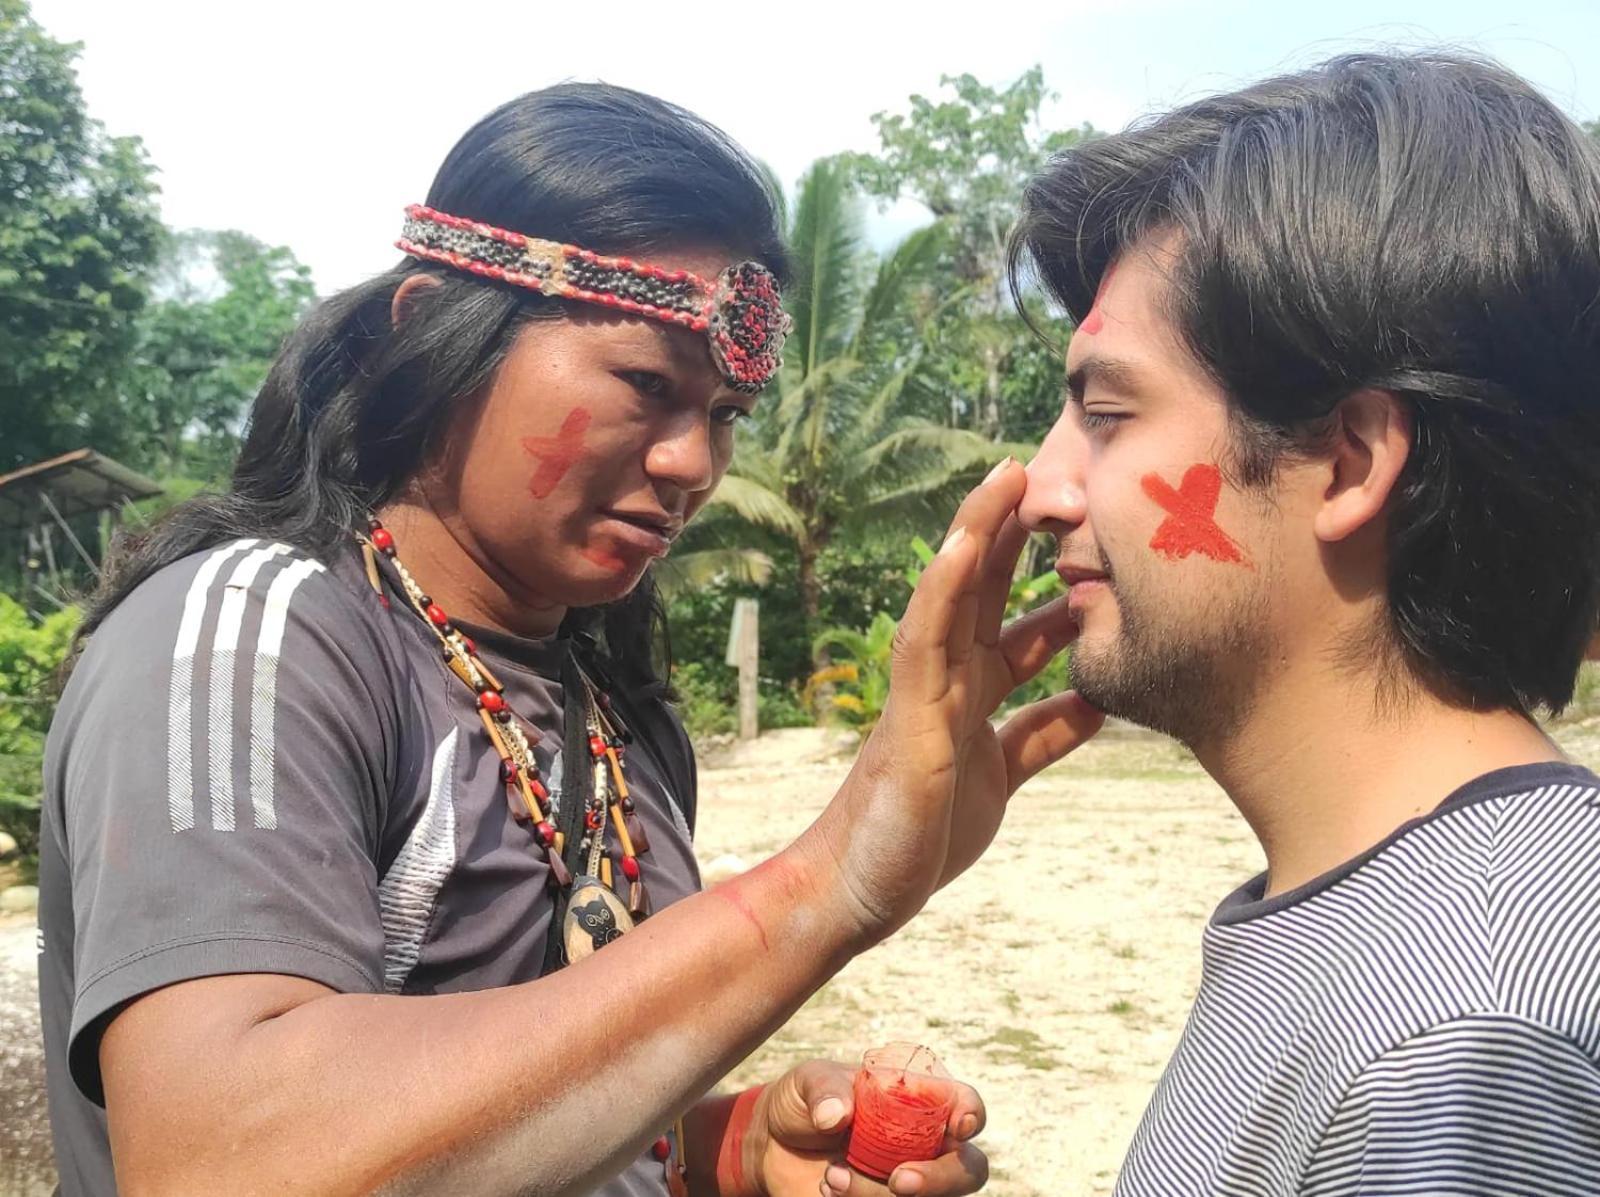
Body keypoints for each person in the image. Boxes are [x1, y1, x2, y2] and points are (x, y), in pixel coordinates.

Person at [36, 84, 1102, 1196]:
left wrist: (738, 1151)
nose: (695, 463)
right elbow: (226, 1157)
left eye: (726, 413)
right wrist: (823, 886)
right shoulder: (253, 637)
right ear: (434, 334)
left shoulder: (618, 713)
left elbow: (544, 1131)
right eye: (647, 384)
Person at [1009, 52, 1600, 1196]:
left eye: (1108, 414)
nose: (1041, 488)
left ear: (1348, 461)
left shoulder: (1463, 1036)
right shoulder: (1370, 920)